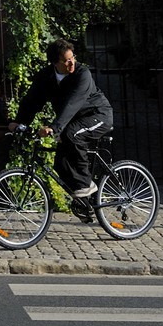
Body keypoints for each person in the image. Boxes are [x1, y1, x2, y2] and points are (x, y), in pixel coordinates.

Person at [14, 38, 113, 205]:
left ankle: (86, 184)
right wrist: (18, 122)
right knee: (60, 163)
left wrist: (54, 127)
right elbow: (32, 101)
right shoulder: (46, 77)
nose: (72, 63)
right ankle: (85, 204)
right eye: (67, 61)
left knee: (72, 133)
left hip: (98, 115)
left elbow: (72, 104)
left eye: (72, 58)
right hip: (73, 121)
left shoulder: (83, 74)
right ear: (55, 62)